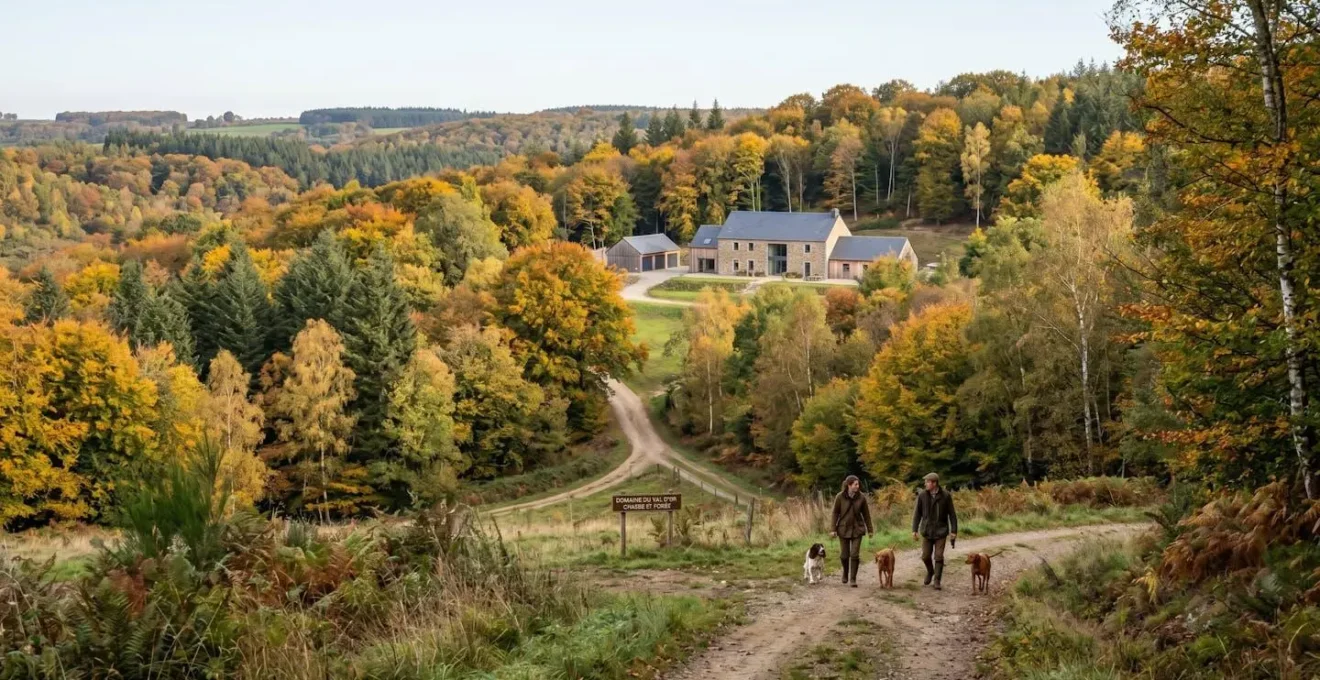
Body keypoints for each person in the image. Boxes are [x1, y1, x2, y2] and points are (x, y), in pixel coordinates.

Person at [911, 472, 958, 590]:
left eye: (927, 482)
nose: (925, 484)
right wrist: (914, 530)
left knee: (938, 556)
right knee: (925, 556)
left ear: (934, 483)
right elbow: (917, 514)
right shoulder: (922, 495)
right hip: (927, 531)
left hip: (941, 531)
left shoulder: (946, 496)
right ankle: (930, 572)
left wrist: (954, 530)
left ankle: (937, 580)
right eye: (926, 482)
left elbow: (952, 514)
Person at [830, 475, 873, 587]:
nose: (858, 486)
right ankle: (845, 572)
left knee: (854, 555)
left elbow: (866, 514)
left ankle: (853, 579)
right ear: (849, 485)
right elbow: (835, 513)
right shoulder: (839, 497)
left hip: (857, 529)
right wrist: (833, 529)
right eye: (855, 484)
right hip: (843, 529)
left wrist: (870, 529)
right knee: (844, 555)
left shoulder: (862, 497)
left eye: (858, 484)